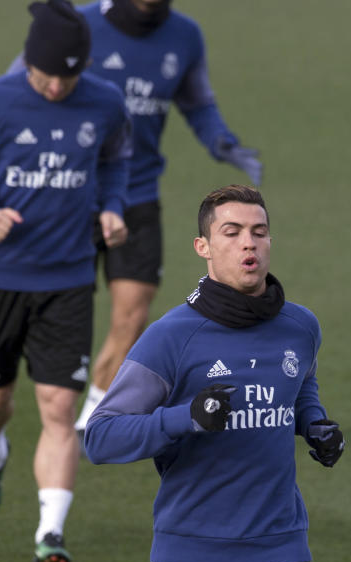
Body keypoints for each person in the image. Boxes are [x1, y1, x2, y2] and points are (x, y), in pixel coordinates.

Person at [84, 185, 344, 562]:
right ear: (203, 247)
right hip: (189, 557)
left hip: (274, 555)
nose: (249, 243)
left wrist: (314, 422)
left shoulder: (301, 327)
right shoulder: (171, 337)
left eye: (259, 232)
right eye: (233, 232)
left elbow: (301, 386)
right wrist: (186, 418)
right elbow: (101, 437)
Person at [0, 0, 131, 562]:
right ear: (28, 60)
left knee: (59, 406)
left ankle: (49, 532)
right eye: (47, 74)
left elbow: (116, 163)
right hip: (1, 277)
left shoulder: (105, 102)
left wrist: (111, 207)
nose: (57, 87)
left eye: (68, 76)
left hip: (70, 279)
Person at [63, 0, 264, 435]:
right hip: (71, 196)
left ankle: (93, 416)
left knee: (132, 316)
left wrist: (222, 142)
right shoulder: (76, 26)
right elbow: (20, 93)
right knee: (65, 317)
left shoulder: (184, 36)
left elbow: (197, 104)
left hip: (137, 195)